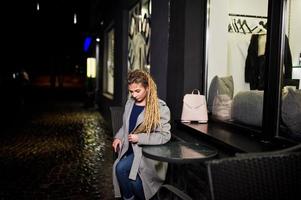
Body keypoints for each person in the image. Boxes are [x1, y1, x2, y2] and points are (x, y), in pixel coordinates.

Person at [112, 69, 171, 200]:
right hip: (130, 149)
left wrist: (140, 138)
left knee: (126, 173)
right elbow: (125, 126)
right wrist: (118, 137)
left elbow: (165, 135)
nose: (134, 95)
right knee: (121, 170)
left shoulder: (160, 108)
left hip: (147, 153)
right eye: (131, 91)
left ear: (148, 88)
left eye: (137, 91)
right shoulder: (130, 103)